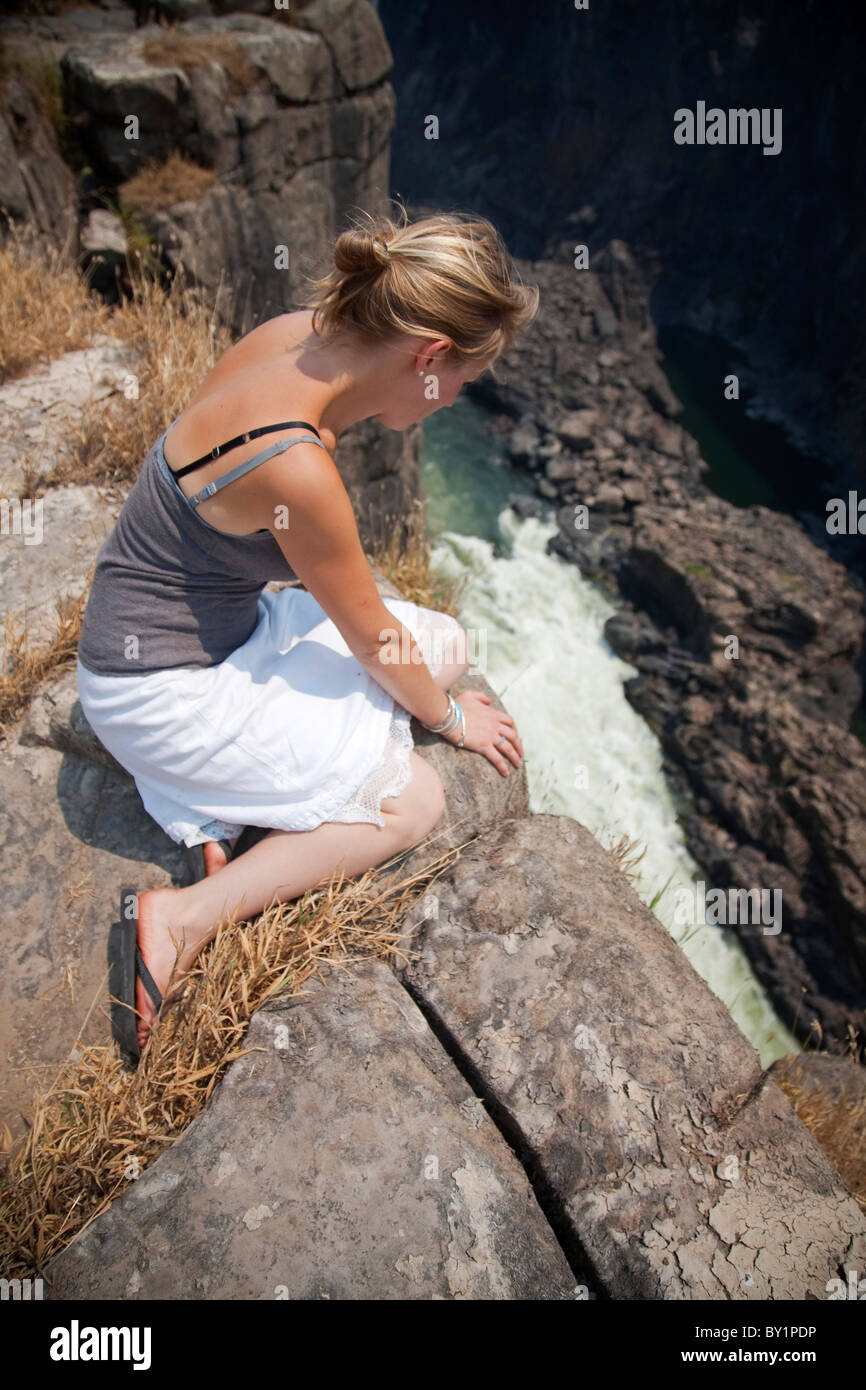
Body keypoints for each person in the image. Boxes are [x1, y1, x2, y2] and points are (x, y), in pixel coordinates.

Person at [76, 206, 539, 1056]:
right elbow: (374, 645)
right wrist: (449, 721)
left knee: (446, 646)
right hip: (158, 691)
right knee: (413, 798)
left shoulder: (294, 336)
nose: (451, 402)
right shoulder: (295, 462)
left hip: (209, 628)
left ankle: (231, 799)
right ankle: (183, 916)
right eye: (462, 383)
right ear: (430, 357)